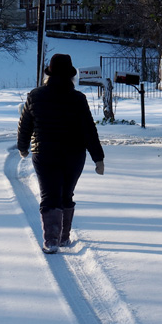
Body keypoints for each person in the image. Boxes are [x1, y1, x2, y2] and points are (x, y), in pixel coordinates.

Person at [17, 53, 105, 253]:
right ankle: (63, 237)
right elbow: (89, 130)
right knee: (66, 193)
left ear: (49, 73)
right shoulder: (78, 99)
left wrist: (23, 147)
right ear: (70, 75)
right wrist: (98, 158)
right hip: (73, 155)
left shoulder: (35, 96)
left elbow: (25, 126)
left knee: (49, 195)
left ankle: (52, 241)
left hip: (44, 153)